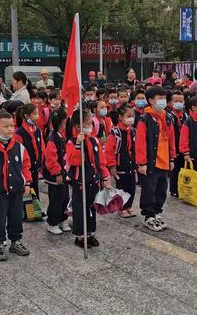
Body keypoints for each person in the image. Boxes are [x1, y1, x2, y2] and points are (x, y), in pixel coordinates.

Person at [0, 111, 32, 261]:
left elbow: (26, 166)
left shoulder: (19, 147)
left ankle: (15, 241)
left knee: (16, 216)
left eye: (12, 126)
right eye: (6, 126)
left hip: (16, 191)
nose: (10, 129)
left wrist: (27, 181)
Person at [66, 108, 110, 248]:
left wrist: (104, 176)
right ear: (78, 126)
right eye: (86, 123)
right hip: (80, 183)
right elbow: (74, 161)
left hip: (93, 181)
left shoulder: (95, 141)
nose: (89, 126)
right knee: (80, 210)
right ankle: (80, 235)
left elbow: (100, 161)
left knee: (92, 208)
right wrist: (79, 144)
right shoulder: (72, 142)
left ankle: (90, 233)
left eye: (90, 123)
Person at [136, 86, 176, 231]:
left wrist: (172, 158)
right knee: (149, 190)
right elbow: (140, 143)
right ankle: (148, 215)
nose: (162, 101)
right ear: (151, 101)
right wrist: (141, 163)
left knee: (161, 189)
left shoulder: (168, 117)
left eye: (164, 98)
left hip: (165, 161)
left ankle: (157, 211)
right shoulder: (145, 119)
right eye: (159, 98)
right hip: (151, 162)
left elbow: (172, 139)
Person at [106, 105, 137, 217]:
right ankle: (121, 208)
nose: (131, 118)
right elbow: (109, 150)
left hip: (131, 164)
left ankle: (128, 206)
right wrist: (112, 165)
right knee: (122, 188)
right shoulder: (115, 133)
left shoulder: (133, 131)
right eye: (128, 116)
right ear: (120, 117)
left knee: (131, 188)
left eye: (133, 116)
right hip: (121, 165)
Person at [44, 107, 71, 234]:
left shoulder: (61, 136)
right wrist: (58, 173)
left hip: (63, 174)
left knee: (65, 197)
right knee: (56, 199)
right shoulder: (52, 138)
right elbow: (51, 159)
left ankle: (62, 218)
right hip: (55, 176)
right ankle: (52, 222)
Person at [14, 104, 45, 201]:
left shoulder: (37, 130)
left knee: (34, 190)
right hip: (26, 168)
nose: (37, 116)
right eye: (34, 114)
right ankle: (30, 214)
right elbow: (18, 152)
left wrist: (41, 161)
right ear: (27, 116)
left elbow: (42, 148)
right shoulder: (20, 132)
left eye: (37, 114)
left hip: (35, 167)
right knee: (28, 193)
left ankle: (36, 212)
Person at [167, 91, 187, 199]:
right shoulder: (169, 116)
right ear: (170, 103)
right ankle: (174, 190)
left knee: (183, 169)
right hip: (173, 147)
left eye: (181, 101)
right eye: (176, 101)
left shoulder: (186, 115)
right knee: (175, 170)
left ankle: (183, 188)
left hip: (183, 147)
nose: (179, 103)